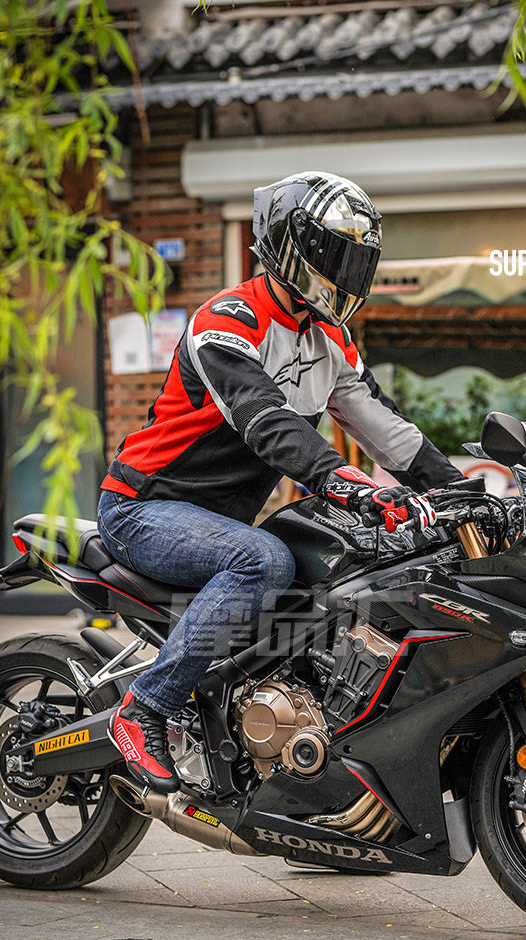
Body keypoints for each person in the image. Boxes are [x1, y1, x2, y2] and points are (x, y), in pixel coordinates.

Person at [99, 171, 463, 792]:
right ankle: (145, 709)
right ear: (295, 248)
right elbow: (265, 421)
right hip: (145, 507)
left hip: (217, 524)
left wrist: (463, 492)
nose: (349, 274)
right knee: (264, 561)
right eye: (339, 257)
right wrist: (347, 483)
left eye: (359, 260)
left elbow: (389, 431)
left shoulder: (331, 340)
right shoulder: (228, 321)